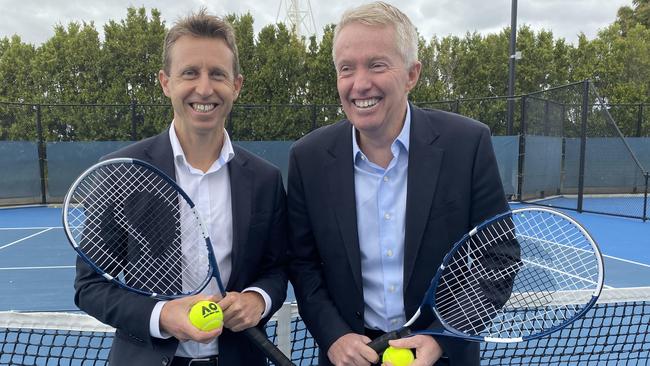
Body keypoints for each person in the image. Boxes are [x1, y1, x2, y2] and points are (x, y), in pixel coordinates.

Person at [287, 2, 511, 365]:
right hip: (350, 358)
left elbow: (498, 258)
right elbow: (301, 263)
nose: (360, 84)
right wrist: (334, 336)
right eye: (347, 69)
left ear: (411, 74)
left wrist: (443, 335)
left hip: (443, 355)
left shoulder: (467, 144)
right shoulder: (307, 158)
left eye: (377, 65)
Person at [74, 9, 288, 366]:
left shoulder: (265, 179)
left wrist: (257, 299)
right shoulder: (119, 173)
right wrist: (162, 315)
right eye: (190, 73)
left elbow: (277, 269)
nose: (204, 88)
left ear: (236, 85)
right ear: (165, 82)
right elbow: (90, 286)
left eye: (217, 74)